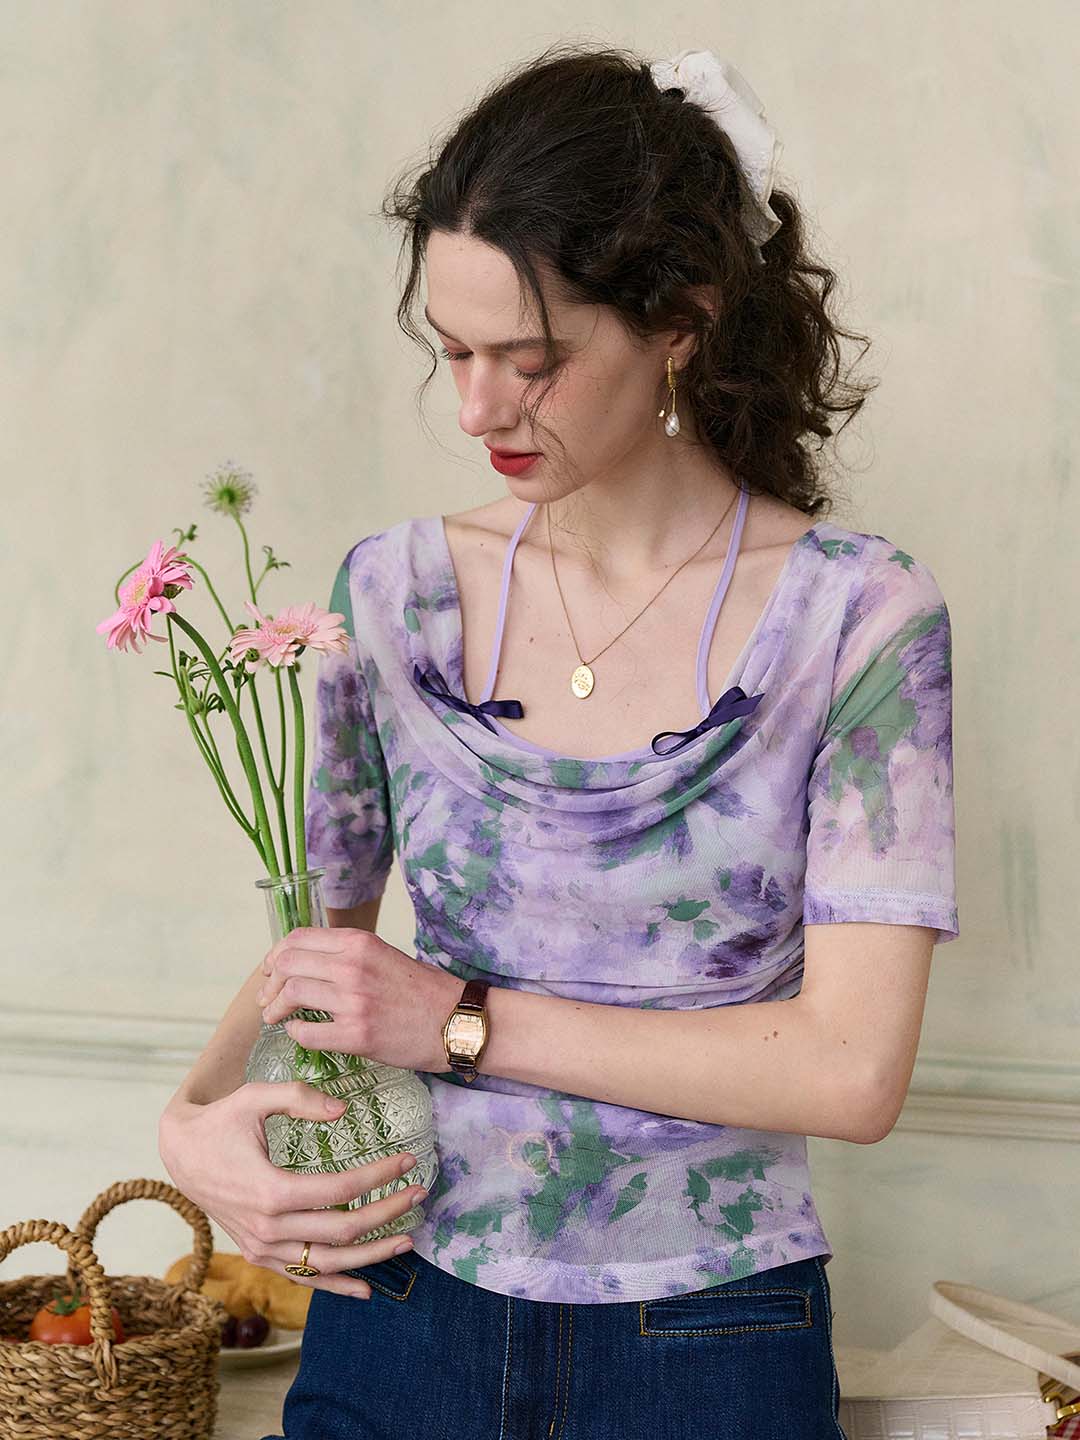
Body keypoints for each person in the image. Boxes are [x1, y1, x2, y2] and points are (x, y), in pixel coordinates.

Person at [159, 41, 958, 1440]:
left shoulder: (860, 619)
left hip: (710, 1340)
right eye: (454, 353)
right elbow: (319, 955)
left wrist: (459, 1023)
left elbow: (850, 1071)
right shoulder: (390, 595)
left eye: (531, 363)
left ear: (681, 322)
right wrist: (190, 1122)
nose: (477, 410)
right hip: (397, 1306)